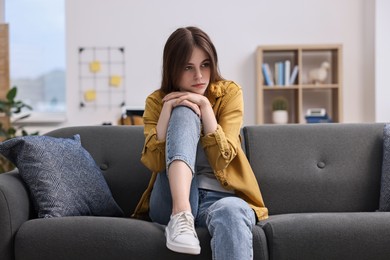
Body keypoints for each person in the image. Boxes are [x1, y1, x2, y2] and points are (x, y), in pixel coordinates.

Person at [133, 26, 268, 259]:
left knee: (234, 210)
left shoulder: (228, 93)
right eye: (188, 67)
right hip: (170, 200)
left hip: (220, 199)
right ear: (172, 69)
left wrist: (205, 108)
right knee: (183, 111)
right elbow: (155, 163)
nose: (199, 76)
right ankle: (181, 214)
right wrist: (168, 110)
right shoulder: (156, 101)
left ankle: (184, 217)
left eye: (205, 65)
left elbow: (222, 157)